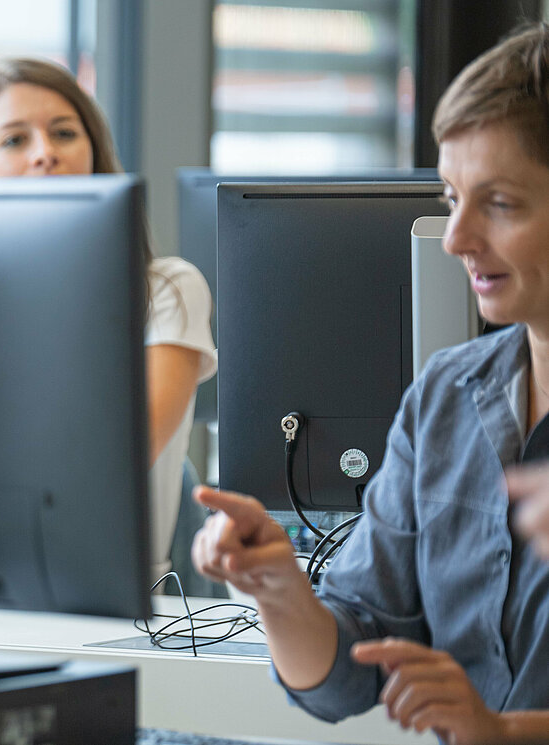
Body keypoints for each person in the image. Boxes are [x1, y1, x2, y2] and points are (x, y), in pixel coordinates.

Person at [192, 25, 549, 743]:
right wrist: (280, 591)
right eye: (451, 197)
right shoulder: (446, 396)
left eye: (500, 203)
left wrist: (508, 733)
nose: (455, 238)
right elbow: (350, 671)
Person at [0, 57, 217, 582]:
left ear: (94, 152)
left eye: (64, 133)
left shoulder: (165, 289)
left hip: (114, 600)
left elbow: (113, 462)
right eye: (13, 140)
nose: (45, 154)